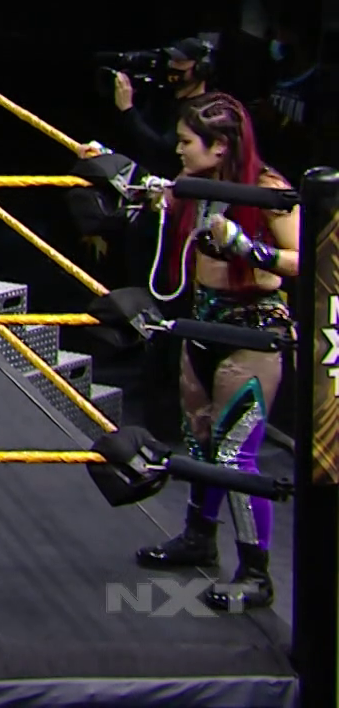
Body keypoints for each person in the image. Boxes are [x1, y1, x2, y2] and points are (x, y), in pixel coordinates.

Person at [134, 93, 299, 612]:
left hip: (252, 332)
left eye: (187, 141)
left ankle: (256, 573)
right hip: (203, 321)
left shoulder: (269, 189)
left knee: (235, 456)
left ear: (220, 145)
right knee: (201, 441)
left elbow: (305, 257)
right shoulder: (195, 184)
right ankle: (198, 537)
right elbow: (164, 207)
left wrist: (249, 249)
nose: (178, 150)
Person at [109, 36, 215, 176]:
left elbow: (163, 152)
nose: (172, 66)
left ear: (200, 69)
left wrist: (128, 110)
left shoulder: (201, 110)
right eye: (171, 60)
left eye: (179, 62)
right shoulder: (163, 96)